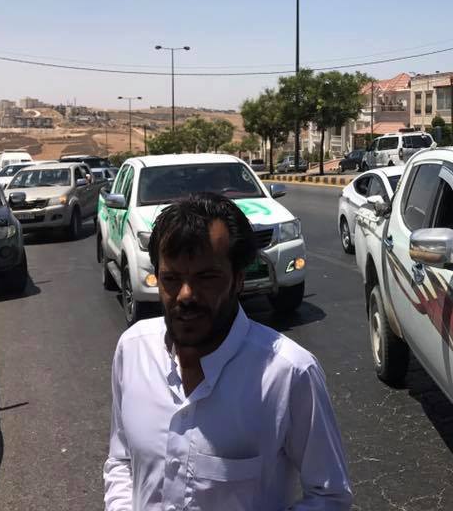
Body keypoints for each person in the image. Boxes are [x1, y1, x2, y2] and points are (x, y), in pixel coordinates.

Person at [104, 193, 352, 510]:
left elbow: (330, 496)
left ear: (238, 280)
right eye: (171, 279)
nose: (186, 295)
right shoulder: (132, 350)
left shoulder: (290, 375)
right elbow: (122, 459)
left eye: (206, 277)